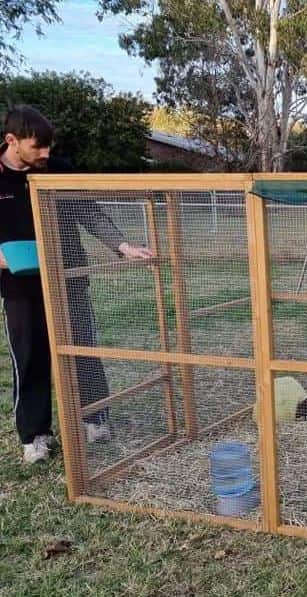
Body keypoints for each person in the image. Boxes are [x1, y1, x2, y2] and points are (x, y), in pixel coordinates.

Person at [0, 105, 153, 464]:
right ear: (12, 141)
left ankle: (95, 417)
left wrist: (122, 245)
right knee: (30, 356)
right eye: (37, 147)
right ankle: (35, 435)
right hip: (20, 287)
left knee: (82, 347)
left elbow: (87, 211)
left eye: (49, 146)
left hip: (68, 277)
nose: (45, 154)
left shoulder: (59, 170)